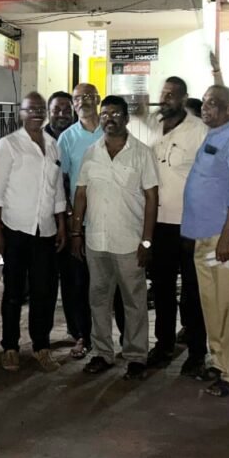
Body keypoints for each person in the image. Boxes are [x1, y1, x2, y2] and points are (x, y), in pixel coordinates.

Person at [72, 96, 158, 380]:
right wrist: (76, 232)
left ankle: (136, 356)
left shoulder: (142, 153)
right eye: (105, 114)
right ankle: (102, 353)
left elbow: (152, 198)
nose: (110, 118)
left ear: (126, 118)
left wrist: (147, 241)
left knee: (134, 302)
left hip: (129, 243)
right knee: (98, 300)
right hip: (96, 241)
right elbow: (81, 193)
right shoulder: (91, 153)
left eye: (116, 114)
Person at [182, 85, 229, 397]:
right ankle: (219, 362)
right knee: (212, 306)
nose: (205, 107)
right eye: (204, 102)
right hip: (204, 235)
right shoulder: (214, 133)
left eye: (213, 103)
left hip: (227, 237)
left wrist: (228, 236)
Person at [133, 78, 209, 376]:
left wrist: (199, 222)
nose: (165, 99)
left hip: (188, 224)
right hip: (157, 223)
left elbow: (207, 177)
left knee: (192, 292)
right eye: (163, 94)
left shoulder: (198, 130)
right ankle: (163, 345)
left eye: (172, 95)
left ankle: (196, 352)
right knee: (162, 288)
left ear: (184, 98)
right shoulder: (152, 126)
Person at [0, 93, 67, 372]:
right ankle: (10, 347)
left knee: (44, 292)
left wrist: (61, 224)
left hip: (45, 231)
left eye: (40, 109)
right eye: (30, 109)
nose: (36, 113)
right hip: (15, 229)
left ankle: (41, 346)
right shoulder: (7, 145)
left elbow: (57, 190)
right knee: (13, 292)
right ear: (21, 113)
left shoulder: (53, 146)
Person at [58, 82, 125, 354]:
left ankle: (128, 341)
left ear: (97, 100)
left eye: (88, 96)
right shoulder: (67, 138)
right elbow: (61, 179)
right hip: (82, 224)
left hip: (114, 220)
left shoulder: (111, 130)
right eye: (77, 98)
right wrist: (69, 216)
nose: (82, 101)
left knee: (119, 285)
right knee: (81, 284)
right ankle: (84, 337)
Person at [45, 91, 84, 355]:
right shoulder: (39, 139)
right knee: (46, 281)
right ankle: (42, 335)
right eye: (56, 109)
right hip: (45, 222)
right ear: (49, 112)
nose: (62, 114)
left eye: (66, 110)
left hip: (74, 221)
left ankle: (78, 331)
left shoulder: (78, 138)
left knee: (75, 280)